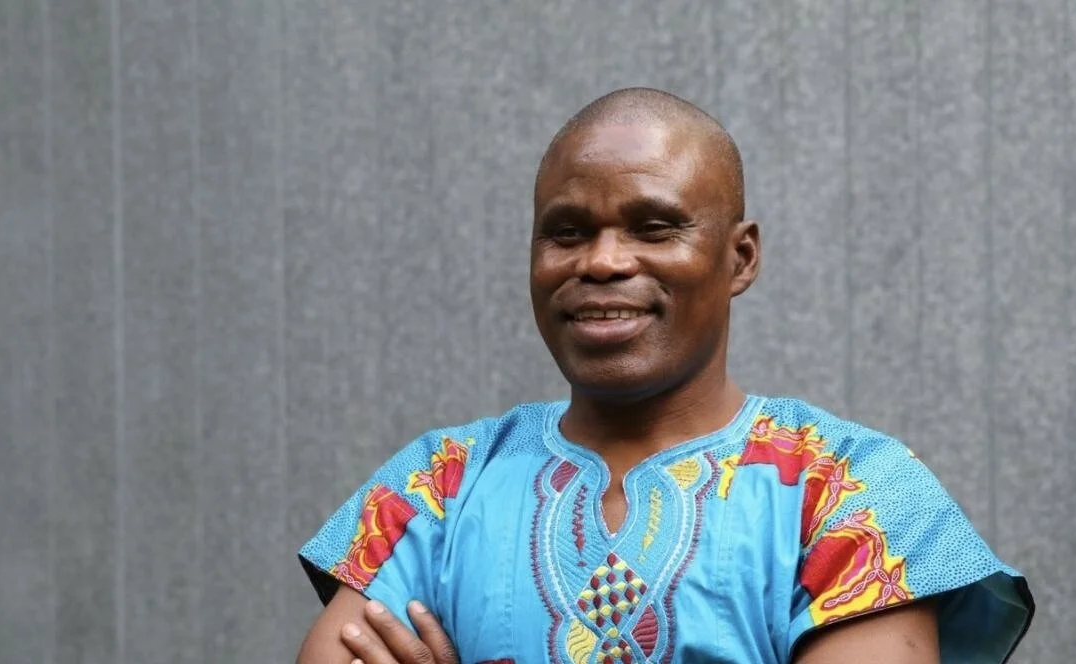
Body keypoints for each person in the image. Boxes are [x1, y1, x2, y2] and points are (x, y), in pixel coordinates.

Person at [294, 88, 1034, 664]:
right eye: (566, 232)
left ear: (739, 258)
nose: (603, 261)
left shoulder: (853, 492)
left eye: (654, 227)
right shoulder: (437, 487)